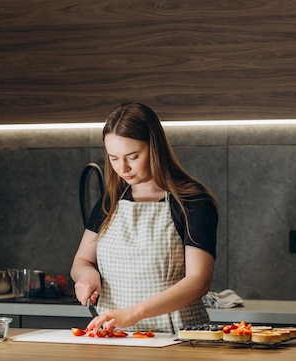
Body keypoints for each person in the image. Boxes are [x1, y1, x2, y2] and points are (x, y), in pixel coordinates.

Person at [70, 102, 218, 334]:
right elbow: (81, 261)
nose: (123, 168)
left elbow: (198, 282)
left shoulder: (192, 202)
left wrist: (133, 313)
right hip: (115, 335)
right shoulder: (111, 201)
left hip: (178, 337)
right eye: (114, 158)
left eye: (133, 156)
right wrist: (86, 275)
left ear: (155, 147)